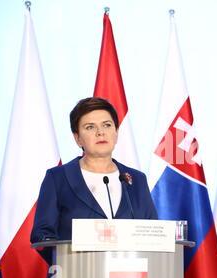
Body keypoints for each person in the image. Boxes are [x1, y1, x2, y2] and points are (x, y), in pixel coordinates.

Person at [31, 97, 158, 245]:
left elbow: (153, 233)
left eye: (107, 125)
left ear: (116, 132)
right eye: (90, 127)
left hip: (132, 267)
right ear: (77, 138)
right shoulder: (57, 178)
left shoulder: (136, 180)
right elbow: (42, 235)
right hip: (76, 267)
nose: (100, 132)